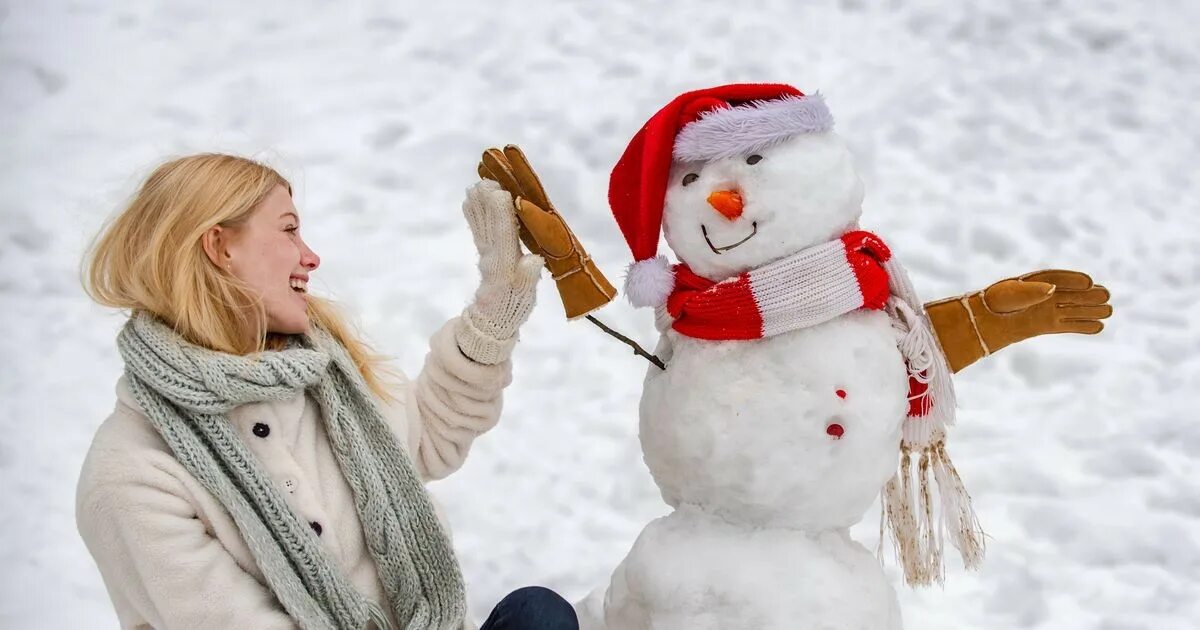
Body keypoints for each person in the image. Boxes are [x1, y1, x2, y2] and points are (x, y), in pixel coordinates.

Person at [75, 153, 580, 630]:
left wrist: (494, 314)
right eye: (290, 230)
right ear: (220, 247)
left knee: (538, 614)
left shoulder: (323, 374)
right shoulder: (131, 474)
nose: (311, 257)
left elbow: (427, 438)